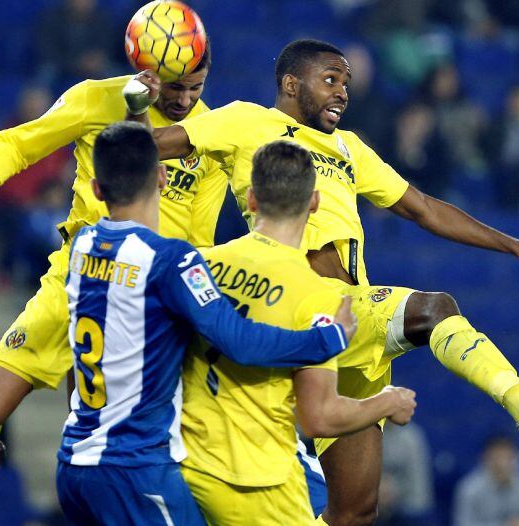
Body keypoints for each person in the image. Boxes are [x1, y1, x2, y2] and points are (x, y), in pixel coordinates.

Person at [128, 38, 519, 525]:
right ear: (291, 83)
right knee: (433, 309)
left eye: (346, 82)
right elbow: (146, 147)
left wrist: (515, 245)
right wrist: (138, 106)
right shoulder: (246, 120)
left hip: (355, 324)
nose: (342, 92)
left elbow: (424, 208)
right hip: (306, 303)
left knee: (354, 511)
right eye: (330, 79)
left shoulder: (350, 147)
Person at [0, 45, 230, 526]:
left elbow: (199, 236)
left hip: (146, 301)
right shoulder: (98, 98)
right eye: (175, 86)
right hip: (77, 279)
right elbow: (21, 142)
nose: (184, 99)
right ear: (148, 71)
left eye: (196, 88)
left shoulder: (210, 133)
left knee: (103, 458)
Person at [56, 122, 356, 525]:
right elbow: (240, 341)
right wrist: (326, 339)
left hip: (73, 462)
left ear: (96, 189)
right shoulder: (172, 261)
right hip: (134, 468)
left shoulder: (81, 246)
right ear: (162, 176)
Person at [179, 140, 416, 525]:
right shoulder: (318, 298)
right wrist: (387, 402)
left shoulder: (199, 263)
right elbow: (318, 418)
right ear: (315, 203)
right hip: (256, 482)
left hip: (186, 468)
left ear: (252, 199)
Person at [453, 435, 519, 526]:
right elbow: (462, 523)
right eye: (497, 457)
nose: (502, 463)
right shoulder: (469, 489)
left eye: (508, 457)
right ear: (485, 458)